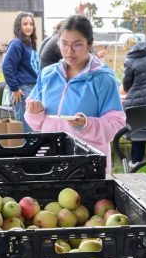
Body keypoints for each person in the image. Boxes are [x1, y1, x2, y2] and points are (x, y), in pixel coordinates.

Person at [25, 15, 124, 168]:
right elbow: (35, 122)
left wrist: (86, 125)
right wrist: (34, 113)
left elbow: (116, 122)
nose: (69, 51)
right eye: (64, 44)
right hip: (49, 160)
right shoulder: (47, 75)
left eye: (77, 45)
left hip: (87, 164)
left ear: (89, 44)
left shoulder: (103, 78)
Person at [1, 11, 39, 132]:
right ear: (19, 26)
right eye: (25, 24)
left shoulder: (30, 44)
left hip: (33, 89)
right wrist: (15, 88)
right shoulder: (17, 43)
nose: (28, 27)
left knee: (34, 127)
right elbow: (6, 66)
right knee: (26, 128)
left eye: (31, 24)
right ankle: (27, 151)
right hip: (23, 90)